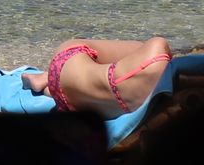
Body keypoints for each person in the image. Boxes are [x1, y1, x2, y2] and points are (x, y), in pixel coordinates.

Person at [23, 36, 173, 118]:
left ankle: (47, 77)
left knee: (141, 45)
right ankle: (49, 86)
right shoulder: (149, 102)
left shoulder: (157, 50)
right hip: (72, 102)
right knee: (95, 85)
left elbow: (157, 48)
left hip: (65, 63)